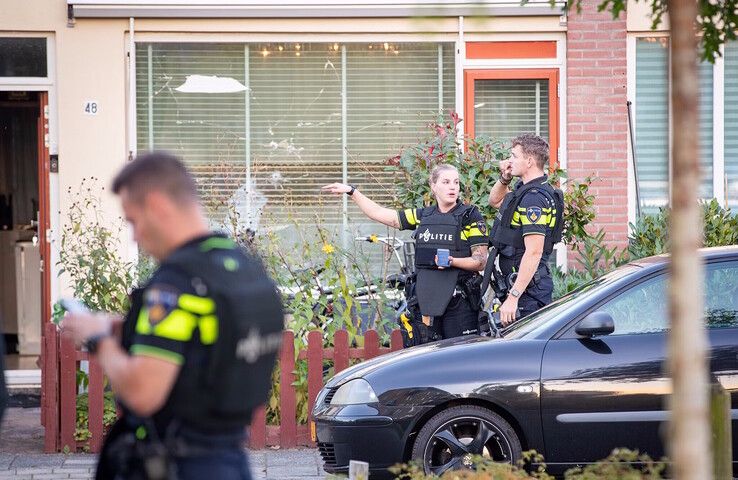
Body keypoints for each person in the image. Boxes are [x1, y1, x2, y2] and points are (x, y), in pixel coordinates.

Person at [62, 152, 283, 480]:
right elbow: (203, 344)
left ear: (158, 205)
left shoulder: (176, 283)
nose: (135, 236)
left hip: (179, 463)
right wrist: (119, 326)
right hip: (230, 460)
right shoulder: (242, 267)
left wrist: (100, 340)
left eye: (133, 220)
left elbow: (142, 393)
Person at [321, 164, 488, 341]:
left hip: (459, 303)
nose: (452, 187)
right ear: (433, 186)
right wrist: (352, 192)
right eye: (446, 182)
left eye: (456, 182)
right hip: (427, 301)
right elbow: (381, 213)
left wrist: (452, 261)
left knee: (460, 357)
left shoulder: (470, 216)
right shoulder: (423, 215)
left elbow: (480, 260)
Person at [488, 133, 564, 326]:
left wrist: (513, 297)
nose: (509, 161)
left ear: (529, 161)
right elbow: (495, 201)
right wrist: (504, 178)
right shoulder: (526, 190)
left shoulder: (534, 199)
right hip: (525, 289)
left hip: (528, 293)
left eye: (514, 156)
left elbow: (534, 251)